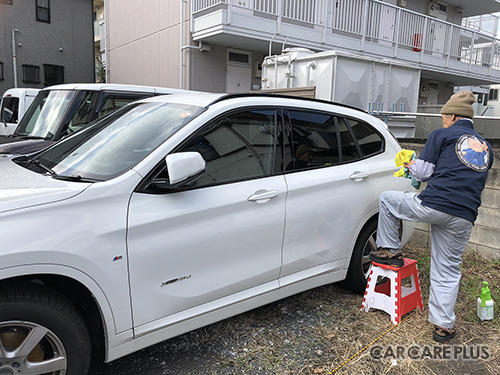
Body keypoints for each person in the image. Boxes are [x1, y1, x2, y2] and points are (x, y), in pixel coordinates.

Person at [369, 91, 494, 344]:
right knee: (447, 269)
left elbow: (424, 172)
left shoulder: (443, 135)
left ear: (451, 115)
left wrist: (410, 165)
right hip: (463, 216)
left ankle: (389, 250)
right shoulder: (485, 146)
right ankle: (443, 327)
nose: (442, 121)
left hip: (434, 205)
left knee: (388, 199)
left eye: (443, 117)